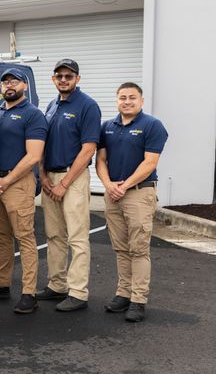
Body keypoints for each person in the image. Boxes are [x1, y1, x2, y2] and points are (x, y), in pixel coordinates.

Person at [96, 82, 168, 322]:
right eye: (122, 97)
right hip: (113, 191)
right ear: (117, 100)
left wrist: (124, 186)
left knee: (138, 248)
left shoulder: (152, 125)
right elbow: (101, 161)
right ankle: (123, 293)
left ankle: (138, 299)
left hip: (138, 192)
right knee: (120, 247)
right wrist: (108, 186)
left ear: (141, 101)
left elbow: (150, 162)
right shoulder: (107, 127)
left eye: (132, 97)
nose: (127, 101)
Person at [36, 59, 101, 312]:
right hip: (50, 179)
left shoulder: (88, 106)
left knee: (77, 237)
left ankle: (78, 292)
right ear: (53, 79)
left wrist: (64, 182)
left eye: (69, 76)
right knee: (54, 235)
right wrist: (42, 175)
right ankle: (57, 285)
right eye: (59, 76)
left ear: (77, 79)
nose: (64, 80)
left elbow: (88, 150)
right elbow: (42, 143)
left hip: (71, 179)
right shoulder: (52, 106)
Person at [0, 68, 47, 314]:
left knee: (25, 237)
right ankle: (1, 283)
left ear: (25, 86)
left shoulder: (33, 115)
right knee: (2, 235)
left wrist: (7, 180)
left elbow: (33, 156)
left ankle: (29, 292)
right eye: (5, 82)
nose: (9, 85)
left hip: (18, 183)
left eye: (14, 81)